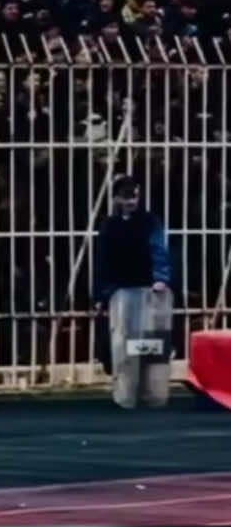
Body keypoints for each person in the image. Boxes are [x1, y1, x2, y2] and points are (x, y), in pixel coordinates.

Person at [94, 175, 173, 410]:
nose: (131, 201)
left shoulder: (148, 222)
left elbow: (158, 249)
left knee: (147, 340)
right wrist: (101, 293)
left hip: (145, 288)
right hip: (120, 290)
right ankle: (127, 391)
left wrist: (160, 278)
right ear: (117, 198)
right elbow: (103, 260)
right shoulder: (110, 224)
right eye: (126, 196)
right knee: (124, 343)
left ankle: (149, 391)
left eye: (134, 196)